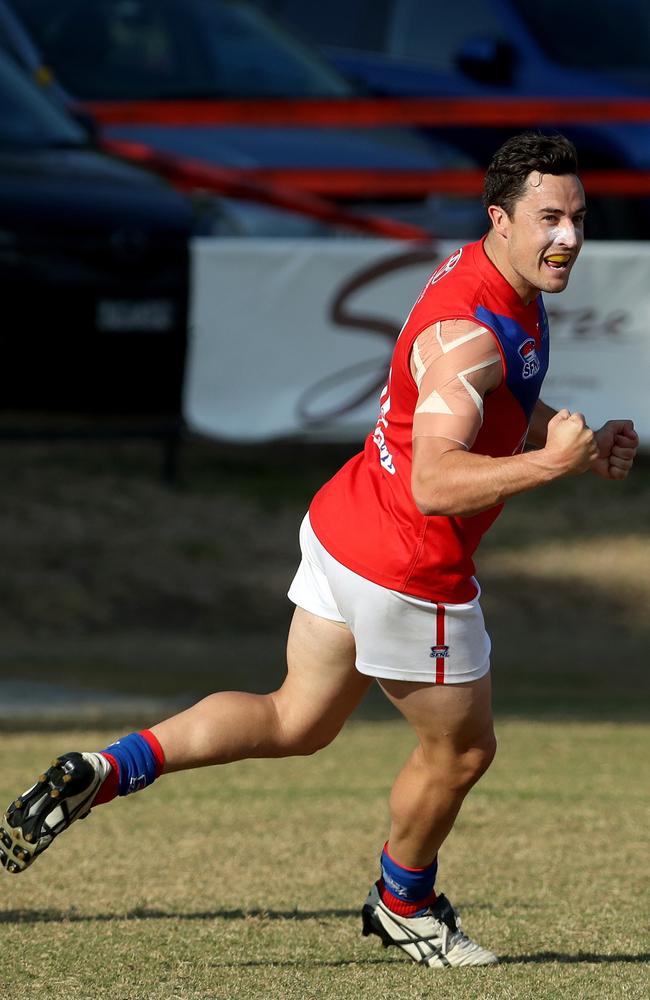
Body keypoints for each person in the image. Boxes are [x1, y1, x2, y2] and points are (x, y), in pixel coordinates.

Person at [1, 132, 639, 969]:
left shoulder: (494, 285)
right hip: (409, 567)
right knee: (464, 751)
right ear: (500, 219)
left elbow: (496, 394)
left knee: (295, 718)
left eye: (579, 218)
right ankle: (403, 902)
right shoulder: (470, 336)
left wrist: (577, 446)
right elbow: (435, 481)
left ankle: (111, 766)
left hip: (344, 524)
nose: (569, 237)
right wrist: (551, 464)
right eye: (550, 218)